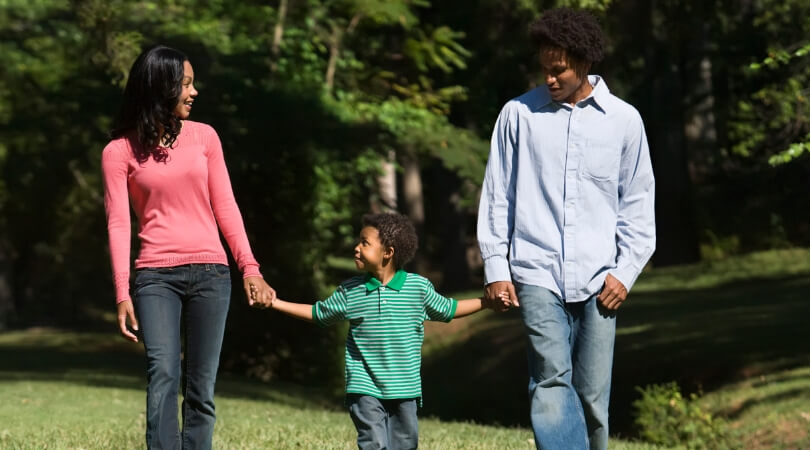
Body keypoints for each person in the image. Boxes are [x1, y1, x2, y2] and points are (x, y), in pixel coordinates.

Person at [477, 8, 656, 450]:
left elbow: (637, 205)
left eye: (559, 70)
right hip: (536, 270)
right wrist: (496, 266)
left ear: (586, 62)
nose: (550, 79)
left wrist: (625, 272)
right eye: (545, 70)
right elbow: (498, 194)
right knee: (551, 381)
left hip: (601, 278)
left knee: (593, 397)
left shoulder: (624, 121)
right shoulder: (517, 115)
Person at [102, 44, 276, 449]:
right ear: (160, 88)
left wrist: (249, 267)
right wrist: (121, 291)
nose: (194, 91)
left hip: (211, 275)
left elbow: (225, 205)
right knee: (162, 370)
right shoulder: (118, 151)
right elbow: (118, 222)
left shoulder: (205, 138)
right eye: (186, 83)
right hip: (154, 277)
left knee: (201, 384)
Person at [251, 213, 490, 450]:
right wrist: (275, 303)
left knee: (405, 444)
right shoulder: (351, 291)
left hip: (405, 387)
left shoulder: (418, 288)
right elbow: (319, 313)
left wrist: (486, 302)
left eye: (364, 243)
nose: (356, 248)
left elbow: (449, 309)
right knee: (373, 442)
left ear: (388, 252)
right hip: (364, 385)